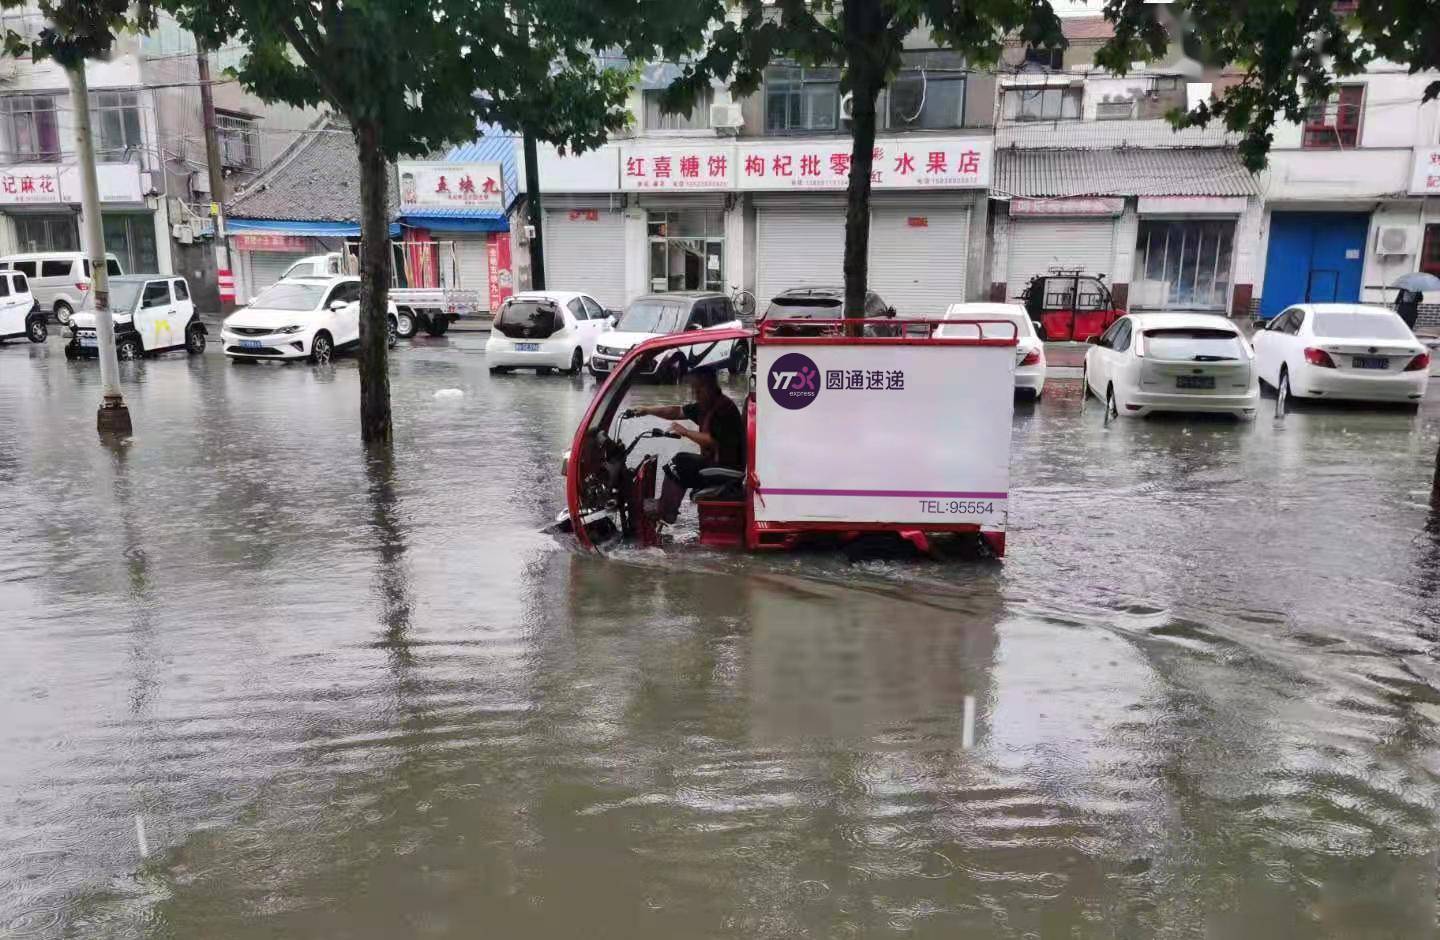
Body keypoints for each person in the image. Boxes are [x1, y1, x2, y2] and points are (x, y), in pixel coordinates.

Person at [628, 368, 745, 524]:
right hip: (717, 463)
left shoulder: (724, 408)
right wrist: (648, 410)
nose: (695, 394)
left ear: (710, 386)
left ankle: (666, 510)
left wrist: (686, 432)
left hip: (728, 468)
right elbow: (677, 411)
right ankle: (666, 507)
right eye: (694, 390)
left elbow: (713, 441)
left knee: (678, 464)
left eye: (698, 390)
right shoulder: (706, 406)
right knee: (681, 461)